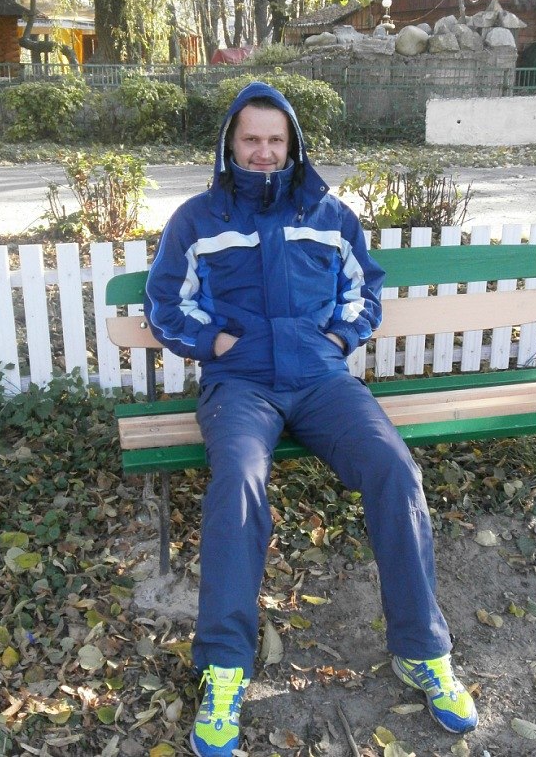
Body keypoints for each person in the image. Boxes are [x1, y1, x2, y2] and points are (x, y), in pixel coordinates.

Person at [144, 81, 478, 757]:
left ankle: (421, 650)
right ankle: (225, 668)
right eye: (251, 139)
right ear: (230, 144)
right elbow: (164, 303)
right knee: (237, 484)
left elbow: (364, 290)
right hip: (241, 385)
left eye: (275, 139)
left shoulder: (329, 214)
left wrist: (336, 337)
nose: (263, 152)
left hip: (323, 380)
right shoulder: (197, 220)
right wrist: (216, 344)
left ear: (292, 144)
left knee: (394, 470)